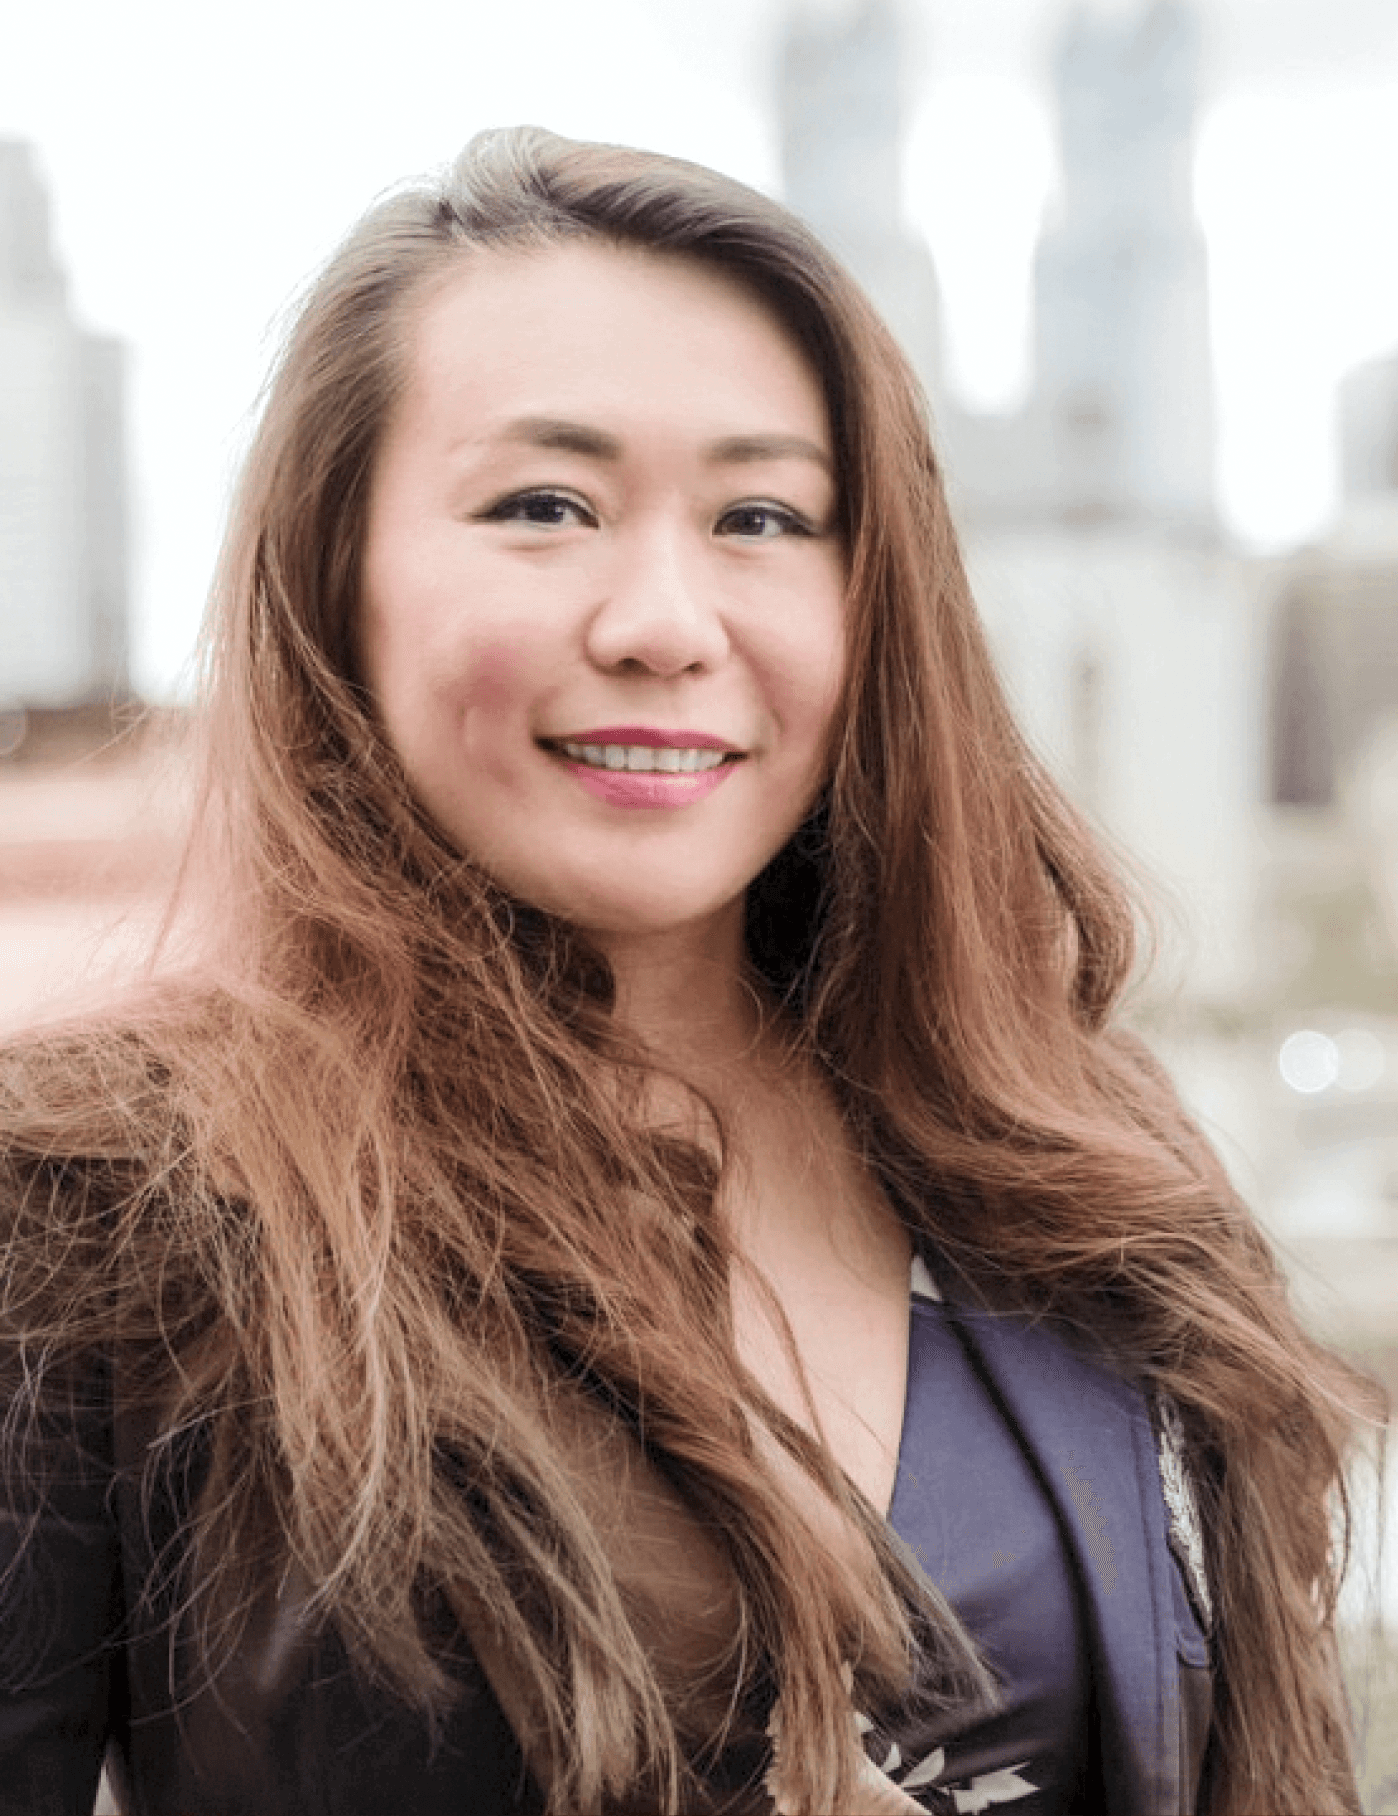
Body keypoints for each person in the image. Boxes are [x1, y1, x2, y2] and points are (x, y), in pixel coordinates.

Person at [0, 127, 1370, 1816]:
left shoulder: (1074, 1155)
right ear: (331, 576)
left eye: (760, 515)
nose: (664, 617)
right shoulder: (99, 1206)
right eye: (543, 506)